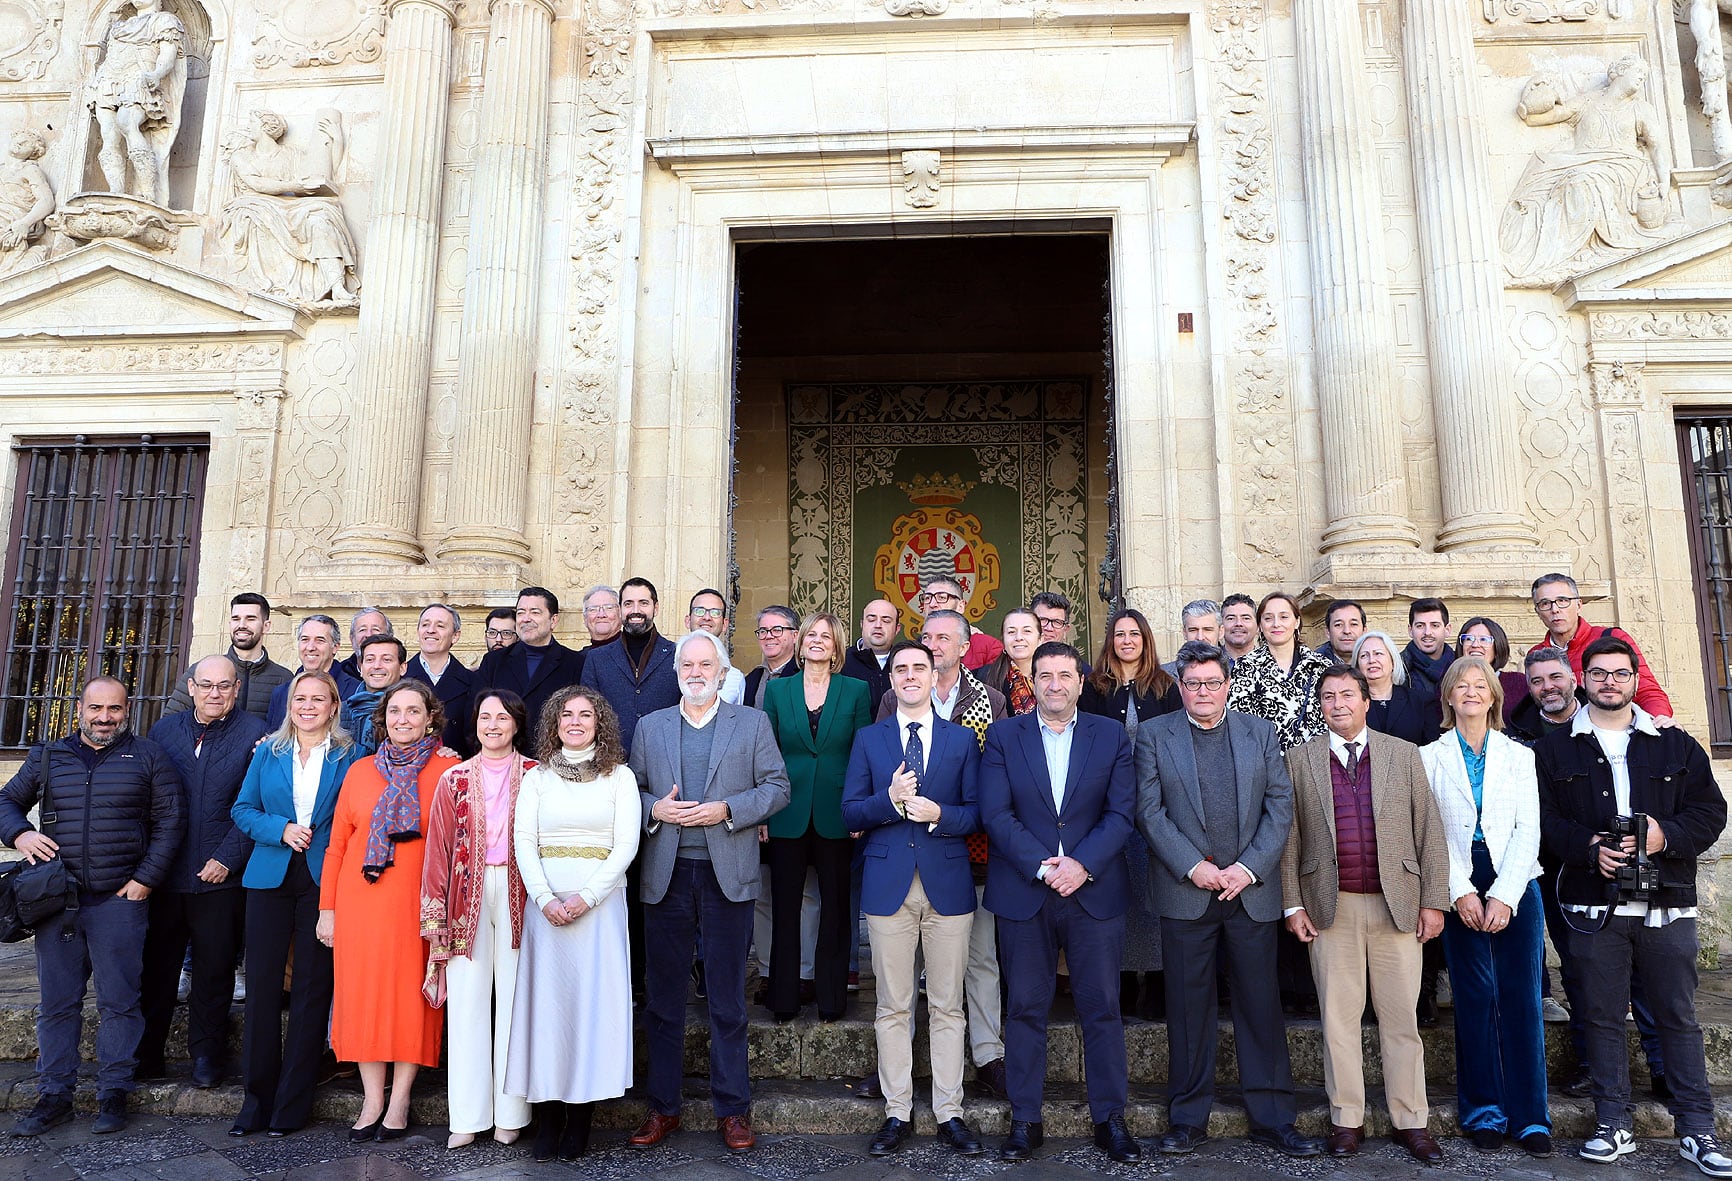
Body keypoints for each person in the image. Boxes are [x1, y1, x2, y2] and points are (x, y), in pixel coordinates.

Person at [1535, 634, 1729, 1175]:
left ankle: (1698, 1130)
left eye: (1620, 673)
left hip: (1667, 903)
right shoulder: (1552, 751)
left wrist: (1666, 836)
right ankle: (1612, 1123)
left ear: (1635, 678)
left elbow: (1710, 812)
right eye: (1598, 674)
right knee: (1599, 1016)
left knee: (1678, 1016)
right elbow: (1544, 821)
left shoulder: (1675, 745)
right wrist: (1587, 848)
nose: (1609, 683)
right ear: (1583, 680)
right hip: (1593, 906)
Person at [1135, 642, 1318, 1159]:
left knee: (1260, 1005)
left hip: (1249, 892)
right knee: (1189, 1011)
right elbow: (1149, 812)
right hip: (1185, 891)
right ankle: (1188, 1117)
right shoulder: (1153, 736)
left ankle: (1274, 1117)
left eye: (1213, 683)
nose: (1203, 693)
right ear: (1181, 687)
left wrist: (1248, 867)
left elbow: (1280, 805)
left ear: (1228, 685)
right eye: (1193, 684)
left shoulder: (1259, 732)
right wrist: (1195, 867)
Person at [628, 631, 791, 1153]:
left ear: (723, 672)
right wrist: (654, 807)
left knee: (727, 1001)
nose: (695, 672)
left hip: (728, 876)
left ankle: (733, 1109)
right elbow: (629, 786)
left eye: (706, 664)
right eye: (687, 664)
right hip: (667, 875)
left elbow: (778, 787)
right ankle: (664, 1108)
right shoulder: (651, 726)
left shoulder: (752, 723)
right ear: (677, 670)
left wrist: (728, 810)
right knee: (664, 1001)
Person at [1281, 665, 1449, 1162]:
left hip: (1397, 906)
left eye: (1347, 695)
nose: (1338, 704)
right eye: (1328, 697)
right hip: (1331, 909)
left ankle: (1410, 1120)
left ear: (1365, 701)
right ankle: (1346, 1120)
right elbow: (1288, 841)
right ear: (1320, 705)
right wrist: (1293, 903)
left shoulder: (1403, 754)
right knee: (1338, 1021)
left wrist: (1433, 901)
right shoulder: (1299, 760)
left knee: (1401, 1021)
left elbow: (1430, 833)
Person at [2, 677, 183, 1138]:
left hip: (118, 903)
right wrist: (19, 834)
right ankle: (54, 1096)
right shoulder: (48, 755)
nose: (105, 718)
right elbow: (6, 801)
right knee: (57, 1005)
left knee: (120, 1002)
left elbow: (170, 823)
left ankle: (113, 1093)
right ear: (79, 708)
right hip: (57, 903)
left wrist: (144, 880)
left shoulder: (147, 756)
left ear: (128, 711)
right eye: (96, 708)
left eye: (115, 710)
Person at [982, 641, 1141, 1163]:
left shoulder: (1111, 735)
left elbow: (1121, 814)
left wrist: (1081, 864)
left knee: (1102, 1007)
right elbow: (996, 813)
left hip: (1093, 890)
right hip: (1025, 891)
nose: (1054, 684)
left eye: (1064, 675)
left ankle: (1110, 1119)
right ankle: (1025, 1119)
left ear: (1079, 681)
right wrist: (1044, 865)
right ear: (1036, 681)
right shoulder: (1005, 735)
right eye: (1045, 675)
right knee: (1025, 1008)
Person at [842, 641, 984, 1159]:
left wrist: (937, 813)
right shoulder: (869, 739)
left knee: (948, 1004)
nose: (908, 676)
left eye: (917, 668)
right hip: (888, 888)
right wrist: (890, 801)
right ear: (893, 680)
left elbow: (977, 814)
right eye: (900, 669)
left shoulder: (962, 739)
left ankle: (950, 1112)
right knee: (892, 1005)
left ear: (934, 674)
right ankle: (896, 1111)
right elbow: (851, 812)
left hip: (947, 885)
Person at [1511, 647, 1669, 1083]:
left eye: (1556, 678)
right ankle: (1590, 1064)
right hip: (1566, 872)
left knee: (1644, 970)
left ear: (1574, 678)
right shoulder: (1520, 733)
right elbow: (1536, 810)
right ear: (1529, 688)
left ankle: (1659, 1064)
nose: (1549, 688)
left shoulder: (1627, 724)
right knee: (1581, 970)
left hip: (1634, 862)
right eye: (1538, 681)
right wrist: (1585, 844)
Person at [1420, 656, 1550, 1157]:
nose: (1472, 692)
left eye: (1481, 685)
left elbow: (1529, 831)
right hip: (1458, 881)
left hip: (1516, 880)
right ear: (1449, 697)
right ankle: (1485, 1113)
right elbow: (1430, 833)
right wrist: (1460, 891)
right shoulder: (1429, 757)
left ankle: (1531, 1117)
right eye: (1462, 685)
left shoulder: (1519, 756)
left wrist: (1504, 894)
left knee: (1521, 999)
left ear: (1494, 697)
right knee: (1475, 1000)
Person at [319, 680, 459, 1141]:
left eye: (413, 711)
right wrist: (328, 909)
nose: (403, 719)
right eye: (394, 711)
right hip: (360, 903)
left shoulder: (447, 770)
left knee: (408, 1000)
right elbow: (338, 844)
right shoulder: (359, 770)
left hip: (417, 905)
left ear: (430, 718)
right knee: (362, 998)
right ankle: (371, 1098)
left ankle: (399, 1100)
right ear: (383, 719)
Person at [506, 688, 641, 1162]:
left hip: (599, 907)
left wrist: (586, 897)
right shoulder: (538, 777)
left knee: (589, 1010)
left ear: (601, 723)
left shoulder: (619, 777)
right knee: (548, 1011)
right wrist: (544, 897)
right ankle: (547, 1117)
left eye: (587, 715)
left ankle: (580, 1119)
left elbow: (626, 844)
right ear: (555, 724)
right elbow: (524, 839)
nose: (577, 722)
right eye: (568, 715)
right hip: (547, 908)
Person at [228, 671, 363, 1137]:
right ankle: (255, 1101)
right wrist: (280, 829)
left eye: (317, 699)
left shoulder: (353, 756)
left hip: (324, 883)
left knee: (312, 991)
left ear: (333, 706)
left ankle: (292, 1104)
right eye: (299, 698)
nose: (307, 706)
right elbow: (242, 809)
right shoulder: (269, 752)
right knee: (263, 989)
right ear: (290, 706)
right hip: (268, 878)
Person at [137, 656, 269, 1088]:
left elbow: (259, 803)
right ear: (191, 688)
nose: (215, 693)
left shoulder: (256, 735)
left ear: (236, 690)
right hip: (169, 875)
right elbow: (151, 799)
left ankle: (206, 1057)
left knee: (213, 972)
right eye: (206, 685)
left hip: (221, 879)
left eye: (224, 686)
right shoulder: (164, 732)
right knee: (157, 970)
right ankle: (147, 1056)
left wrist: (228, 857)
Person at [421, 691, 537, 1150]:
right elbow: (438, 852)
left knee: (514, 1003)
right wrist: (435, 918)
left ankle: (511, 1114)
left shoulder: (537, 776)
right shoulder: (453, 779)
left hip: (520, 894)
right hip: (463, 898)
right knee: (467, 1006)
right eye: (485, 717)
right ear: (475, 724)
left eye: (502, 717)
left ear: (516, 724)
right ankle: (467, 1117)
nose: (493, 725)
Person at [762, 614, 872, 1022]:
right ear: (800, 641)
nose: (817, 642)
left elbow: (863, 754)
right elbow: (766, 754)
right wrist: (762, 812)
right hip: (786, 810)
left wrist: (859, 806)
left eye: (826, 637)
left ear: (837, 646)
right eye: (811, 635)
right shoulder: (778, 690)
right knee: (785, 907)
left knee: (836, 907)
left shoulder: (856, 690)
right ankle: (783, 998)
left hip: (838, 812)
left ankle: (831, 999)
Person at [1080, 608, 1180, 1018]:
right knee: (1113, 895)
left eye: (1134, 634)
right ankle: (1118, 986)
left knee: (1152, 895)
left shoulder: (1165, 687)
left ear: (1145, 639)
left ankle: (1156, 987)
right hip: (1106, 807)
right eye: (1119, 634)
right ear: (1110, 641)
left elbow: (1177, 745)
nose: (1126, 641)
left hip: (1156, 807)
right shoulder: (1093, 688)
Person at [1531, 573, 1673, 720]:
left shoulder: (1612, 638)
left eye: (1563, 600)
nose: (1555, 609)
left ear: (1579, 605)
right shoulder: (1536, 654)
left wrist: (1658, 726)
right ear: (1538, 612)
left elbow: (1647, 692)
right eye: (1545, 603)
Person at [86, 0, 186, 204]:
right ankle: (116, 189)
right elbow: (110, 55)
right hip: (109, 78)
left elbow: (168, 55)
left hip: (138, 76)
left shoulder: (165, 21)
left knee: (127, 122)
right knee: (108, 133)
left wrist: (157, 74)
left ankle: (148, 193)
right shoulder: (120, 26)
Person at [580, 577, 678, 754]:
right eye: (628, 603)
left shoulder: (677, 654)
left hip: (664, 760)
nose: (635, 610)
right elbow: (587, 711)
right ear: (620, 609)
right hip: (610, 761)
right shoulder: (596, 658)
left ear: (655, 608)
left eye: (643, 603)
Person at [1226, 591, 1330, 752]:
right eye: (1268, 618)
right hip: (1265, 765)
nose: (1276, 624)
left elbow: (1330, 717)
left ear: (1297, 622)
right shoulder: (1244, 667)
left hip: (1313, 762)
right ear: (1260, 625)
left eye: (1284, 617)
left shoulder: (1320, 666)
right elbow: (1240, 724)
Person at [164, 593, 290, 719]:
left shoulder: (284, 679)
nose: (241, 625)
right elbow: (170, 724)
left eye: (250, 619)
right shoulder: (201, 671)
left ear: (266, 626)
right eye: (236, 619)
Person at [477, 587, 586, 730]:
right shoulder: (494, 661)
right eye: (521, 612)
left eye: (535, 612)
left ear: (553, 620)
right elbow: (476, 711)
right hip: (504, 749)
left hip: (552, 749)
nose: (526, 619)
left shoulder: (575, 663)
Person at [265, 614, 359, 731]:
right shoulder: (281, 692)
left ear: (335, 647)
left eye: (320, 640)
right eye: (305, 639)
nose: (310, 647)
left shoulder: (356, 690)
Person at [406, 604, 475, 757]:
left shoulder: (473, 682)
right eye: (425, 624)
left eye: (440, 626)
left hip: (454, 769)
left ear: (455, 636)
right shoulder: (400, 678)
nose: (431, 630)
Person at [1353, 630, 1441, 747]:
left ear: (1393, 661)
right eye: (1364, 655)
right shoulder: (1351, 704)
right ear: (1358, 667)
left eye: (1378, 653)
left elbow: (1432, 750)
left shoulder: (1422, 702)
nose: (1372, 660)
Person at [1455, 616, 1529, 730]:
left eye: (1484, 640)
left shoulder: (1519, 683)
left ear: (1497, 647)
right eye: (1468, 639)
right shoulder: (1450, 683)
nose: (1475, 645)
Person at [921, 576, 1003, 670]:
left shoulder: (988, 647)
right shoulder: (913, 648)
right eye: (927, 598)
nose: (932, 604)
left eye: (942, 597)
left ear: (960, 606)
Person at [342, 634, 406, 750]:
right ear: (361, 668)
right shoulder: (341, 711)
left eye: (386, 660)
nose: (376, 666)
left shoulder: (414, 709)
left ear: (402, 668)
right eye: (370, 659)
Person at [976, 606, 1040, 716]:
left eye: (1027, 631)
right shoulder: (981, 678)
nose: (1018, 637)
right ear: (1003, 639)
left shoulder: (1055, 676)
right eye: (1011, 632)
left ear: (1040, 639)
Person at [687, 588, 746, 705]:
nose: (707, 617)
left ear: (725, 624)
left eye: (715, 612)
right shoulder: (668, 668)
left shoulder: (734, 678)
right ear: (688, 620)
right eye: (699, 611)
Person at [841, 597, 898, 705]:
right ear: (862, 624)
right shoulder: (841, 662)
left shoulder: (904, 663)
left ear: (897, 629)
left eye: (886, 621)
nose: (878, 625)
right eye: (871, 620)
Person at [744, 605, 801, 707]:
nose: (769, 636)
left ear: (795, 636)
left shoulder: (805, 675)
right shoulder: (751, 679)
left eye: (777, 630)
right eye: (763, 631)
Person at [1402, 597, 1454, 701]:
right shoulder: (1397, 669)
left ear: (1447, 630)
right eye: (1420, 626)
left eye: (1435, 625)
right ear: (1410, 630)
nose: (1427, 632)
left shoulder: (1461, 667)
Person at [1160, 600, 1224, 676]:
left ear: (1221, 632)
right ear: (1184, 633)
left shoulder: (1237, 672)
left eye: (1207, 630)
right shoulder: (1162, 675)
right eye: (1193, 630)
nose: (1200, 637)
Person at [335, 607, 392, 683]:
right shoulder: (338, 676)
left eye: (376, 629)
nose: (368, 635)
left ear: (390, 638)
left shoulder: (401, 676)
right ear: (352, 639)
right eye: (362, 630)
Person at [579, 585, 623, 654]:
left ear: (621, 613)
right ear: (585, 618)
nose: (601, 615)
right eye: (593, 609)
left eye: (609, 608)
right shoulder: (577, 660)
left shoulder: (634, 652)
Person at [1220, 593, 1258, 669]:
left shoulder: (1272, 664)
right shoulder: (1208, 663)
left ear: (1258, 626)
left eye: (1246, 618)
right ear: (1221, 627)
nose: (1238, 623)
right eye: (1231, 618)